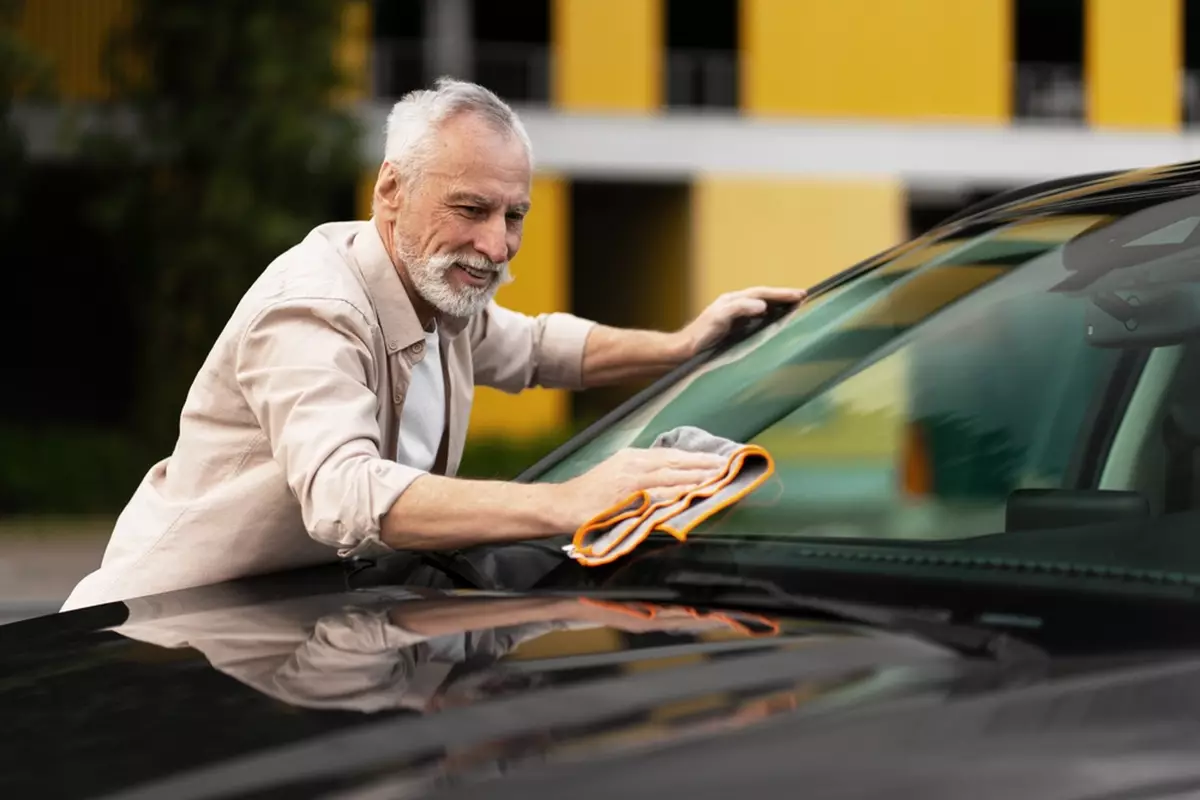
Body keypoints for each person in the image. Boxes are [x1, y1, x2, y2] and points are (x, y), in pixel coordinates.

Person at [61, 78, 806, 611]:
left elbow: (541, 347)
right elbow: (344, 496)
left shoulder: (436, 290)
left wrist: (680, 345)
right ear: (390, 189)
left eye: (514, 215)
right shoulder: (312, 310)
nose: (495, 244)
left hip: (286, 633)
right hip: (158, 638)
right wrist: (570, 502)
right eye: (470, 208)